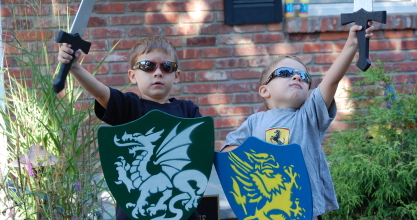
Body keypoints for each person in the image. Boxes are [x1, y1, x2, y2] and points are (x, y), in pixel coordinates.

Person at [221, 22, 375, 219]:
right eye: (285, 73)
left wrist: (352, 44)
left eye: (304, 76)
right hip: (265, 208)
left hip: (303, 210)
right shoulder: (254, 122)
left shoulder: (309, 116)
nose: (296, 77)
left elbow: (331, 81)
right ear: (264, 91)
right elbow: (228, 152)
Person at [58, 35, 201, 220]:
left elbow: (200, 154)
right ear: (132, 75)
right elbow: (100, 91)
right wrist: (75, 66)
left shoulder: (188, 110)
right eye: (147, 66)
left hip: (181, 212)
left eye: (167, 67)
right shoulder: (129, 107)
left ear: (176, 76)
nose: (157, 72)